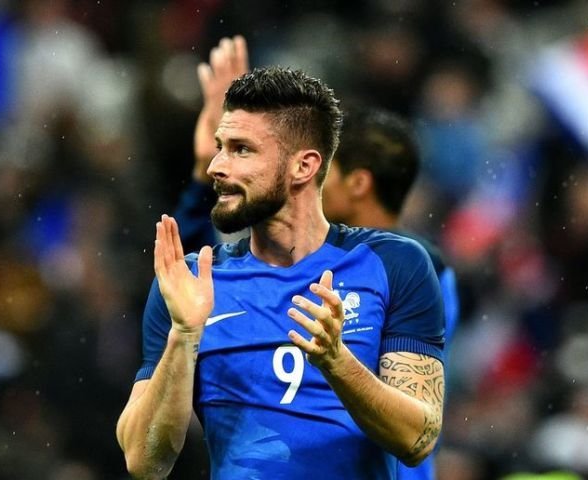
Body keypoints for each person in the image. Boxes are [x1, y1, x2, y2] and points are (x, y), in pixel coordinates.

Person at [116, 65, 445, 479]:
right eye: (220, 147)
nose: (217, 166)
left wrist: (336, 362)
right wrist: (183, 336)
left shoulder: (394, 264)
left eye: (241, 150)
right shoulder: (193, 282)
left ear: (303, 167)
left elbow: (418, 439)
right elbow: (144, 462)